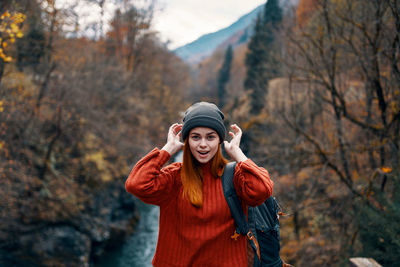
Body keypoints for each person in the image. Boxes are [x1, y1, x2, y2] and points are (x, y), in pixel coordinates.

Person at [125, 102, 274, 267]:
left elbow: (262, 190)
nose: (203, 144)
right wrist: (167, 149)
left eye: (210, 137)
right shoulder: (174, 177)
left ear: (219, 141)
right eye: (195, 137)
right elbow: (136, 184)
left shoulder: (235, 177)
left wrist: (238, 154)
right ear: (187, 141)